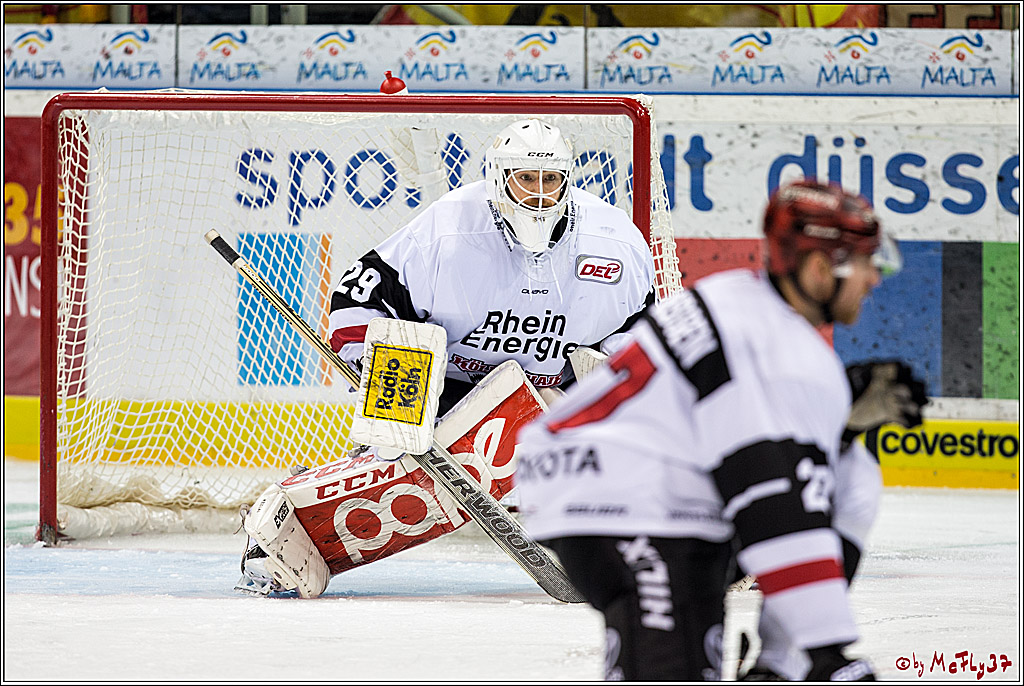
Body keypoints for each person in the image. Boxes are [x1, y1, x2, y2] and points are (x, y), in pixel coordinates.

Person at [514, 180, 928, 681]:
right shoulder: (763, 344)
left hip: (650, 485)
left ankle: (781, 665)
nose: (875, 278)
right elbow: (766, 495)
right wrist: (828, 652)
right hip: (610, 496)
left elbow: (800, 492)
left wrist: (834, 432)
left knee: (852, 469)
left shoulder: (743, 300)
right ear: (821, 269)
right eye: (864, 262)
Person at [235, 118, 657, 597]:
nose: (539, 194)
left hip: (548, 394)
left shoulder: (612, 240)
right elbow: (356, 304)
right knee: (393, 467)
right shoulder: (448, 228)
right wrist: (397, 398)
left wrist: (605, 389)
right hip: (443, 391)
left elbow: (644, 336)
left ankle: (655, 545)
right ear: (499, 177)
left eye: (550, 179)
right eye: (526, 178)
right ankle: (287, 527)